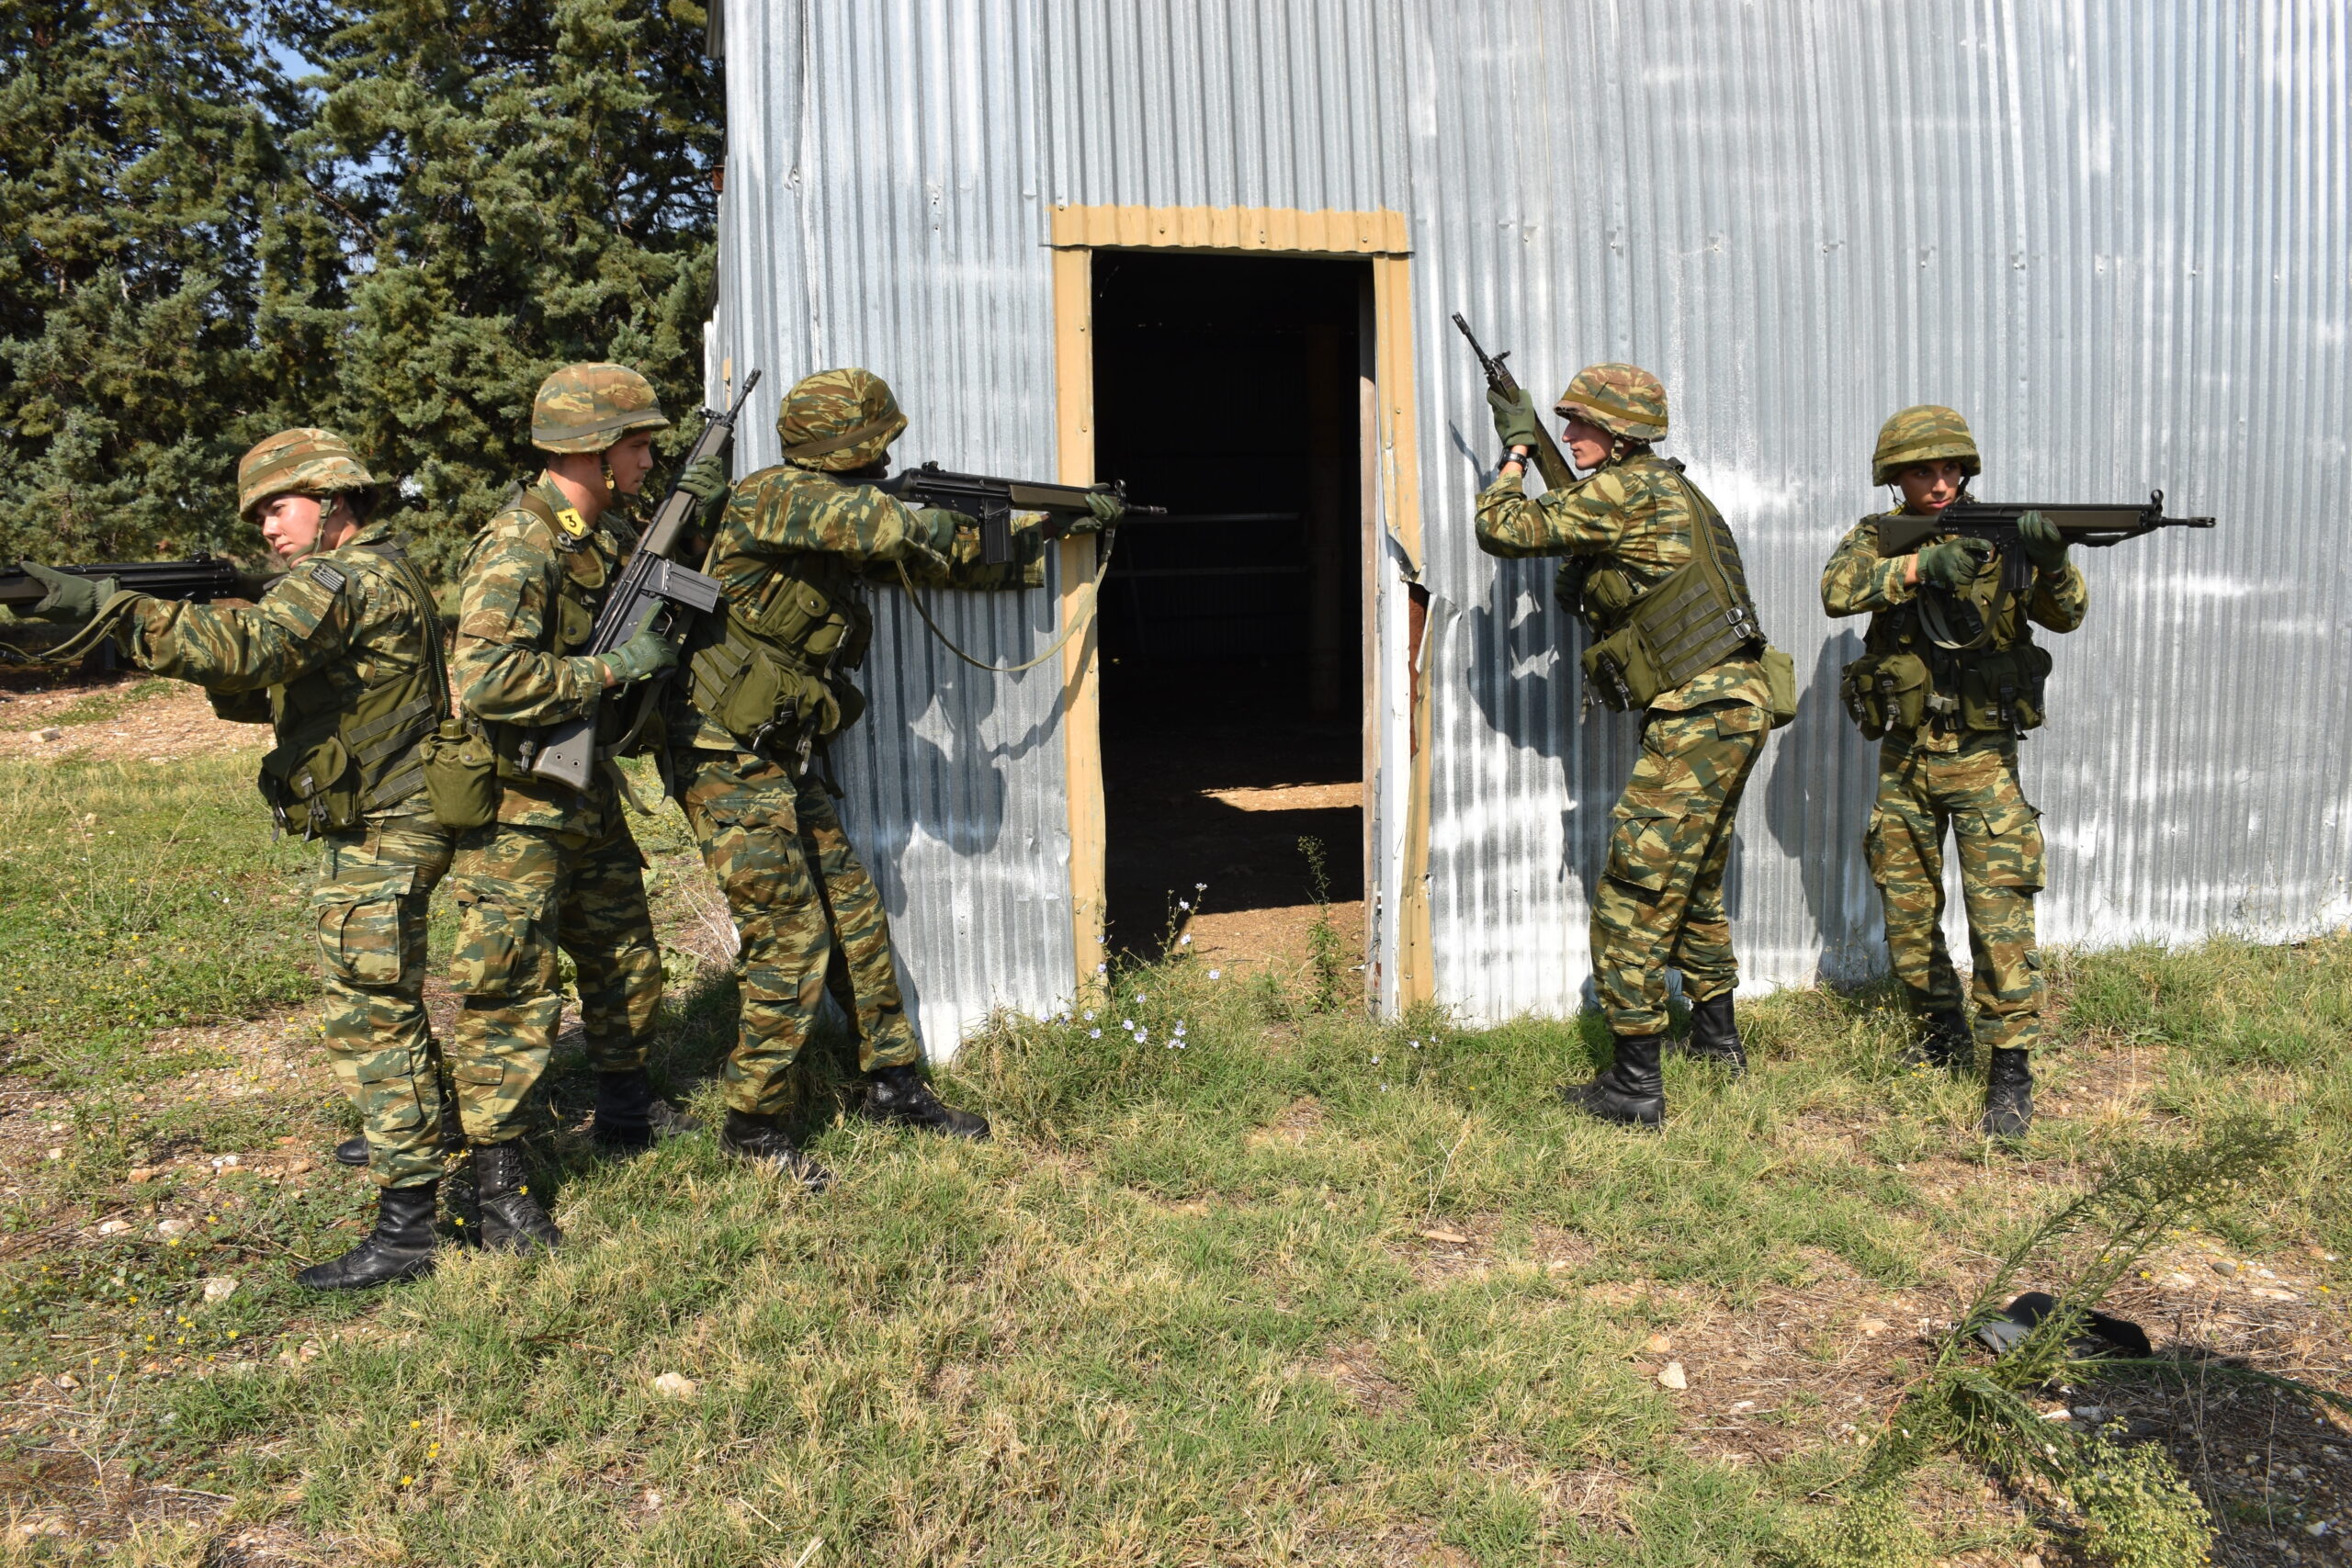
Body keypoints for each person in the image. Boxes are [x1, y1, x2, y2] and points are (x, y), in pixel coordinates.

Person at [16, 430, 463, 1289]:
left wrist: (90, 603)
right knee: (385, 993)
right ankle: (423, 1121)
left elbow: (250, 651)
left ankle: (411, 1225)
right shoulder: (379, 570)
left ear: (333, 499)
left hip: (384, 824)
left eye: (279, 505)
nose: (265, 526)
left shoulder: (344, 578)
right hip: (393, 811)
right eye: (257, 512)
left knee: (372, 1007)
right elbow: (271, 682)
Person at [662, 367, 1118, 1186]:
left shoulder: (823, 520)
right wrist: (971, 509)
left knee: (853, 913)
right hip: (723, 755)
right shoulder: (780, 497)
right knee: (792, 935)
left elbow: (937, 560)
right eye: (879, 441)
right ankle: (753, 1125)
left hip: (779, 749)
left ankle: (892, 1085)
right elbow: (892, 531)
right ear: (858, 442)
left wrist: (1053, 526)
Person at [439, 362, 698, 1247]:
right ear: (592, 446)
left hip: (581, 788)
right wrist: (606, 672)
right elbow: (481, 679)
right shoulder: (520, 546)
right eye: (636, 441)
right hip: (518, 803)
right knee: (513, 984)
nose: (647, 454)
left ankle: (625, 1107)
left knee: (624, 947)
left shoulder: (597, 531)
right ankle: (496, 1183)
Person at [1477, 364, 1777, 1127]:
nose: (1569, 437)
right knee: (1695, 882)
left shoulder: (1629, 490)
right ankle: (1716, 1043)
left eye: (1581, 425)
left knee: (1632, 895)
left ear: (1619, 435)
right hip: (1733, 706)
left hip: (1699, 711)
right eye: (1561, 426)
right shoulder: (1671, 490)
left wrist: (1515, 452)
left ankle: (1634, 1085)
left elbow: (1502, 528)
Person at [1820, 405, 2083, 1138]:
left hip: (1982, 757)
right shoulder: (1877, 537)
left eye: (1948, 470)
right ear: (1894, 478)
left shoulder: (2008, 535)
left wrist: (2052, 561)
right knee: (1907, 911)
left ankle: (2010, 1068)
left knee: (1999, 915)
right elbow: (1837, 589)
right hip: (1904, 755)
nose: (1938, 484)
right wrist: (1917, 565)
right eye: (1920, 472)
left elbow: (2068, 615)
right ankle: (1940, 1035)